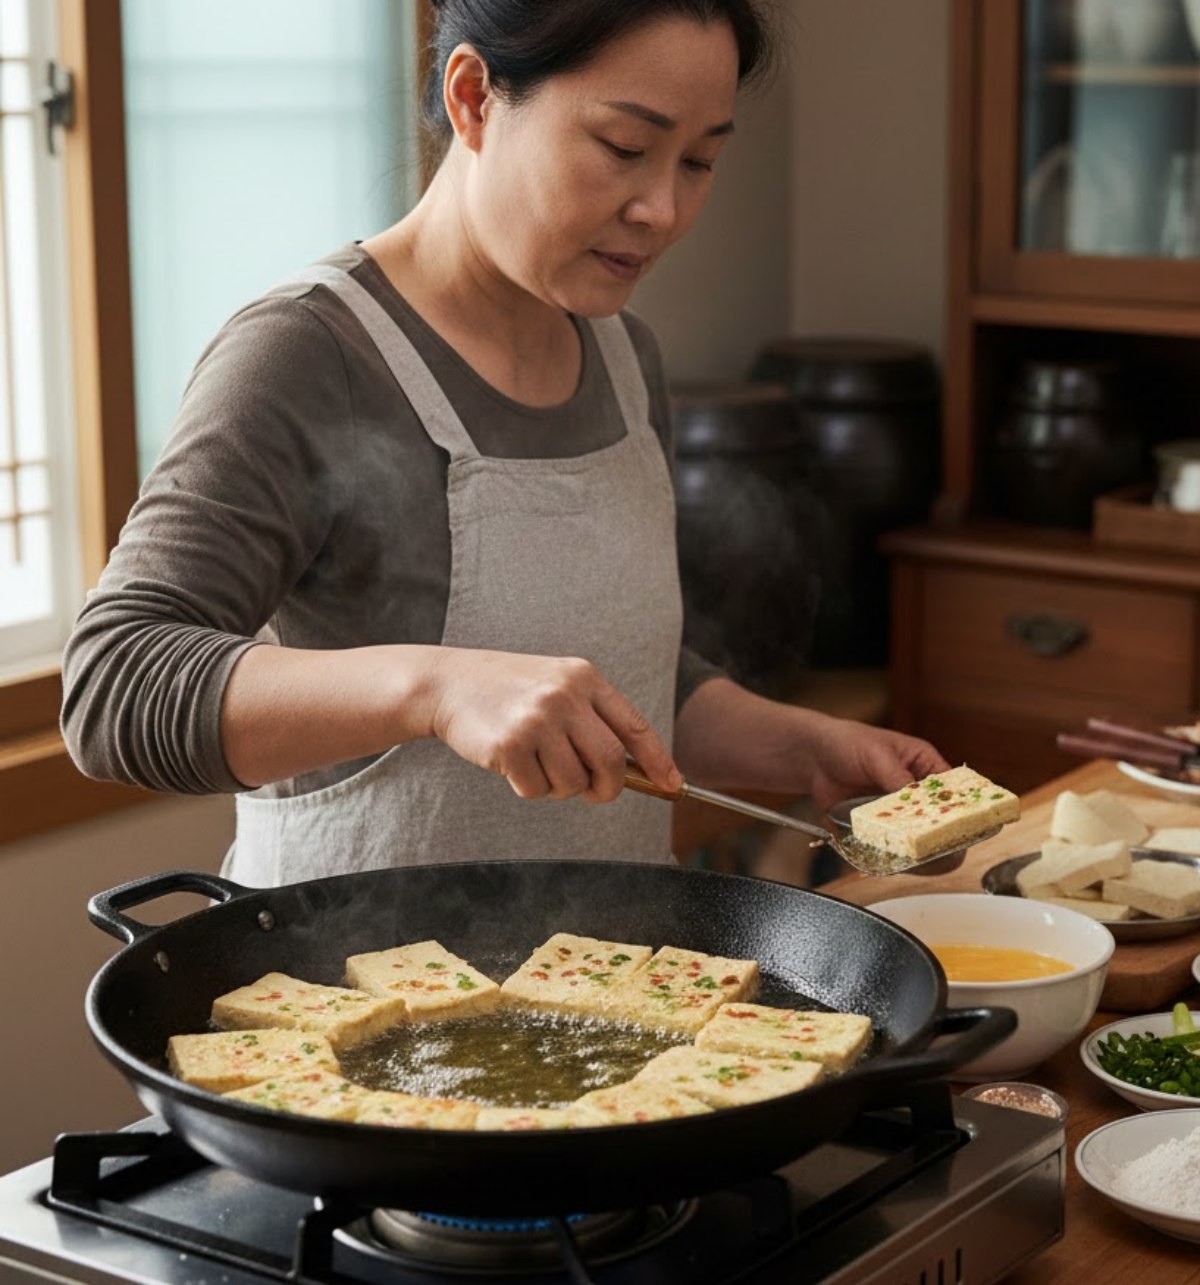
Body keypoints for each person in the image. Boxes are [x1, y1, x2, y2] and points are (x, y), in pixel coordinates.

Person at [61, 0, 948, 887]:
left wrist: (803, 748)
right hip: (344, 968)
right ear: (474, 97)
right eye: (625, 148)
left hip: (617, 963)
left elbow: (626, 682)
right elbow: (112, 685)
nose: (663, 209)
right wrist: (438, 688)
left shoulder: (626, 359)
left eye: (699, 161)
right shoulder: (307, 357)